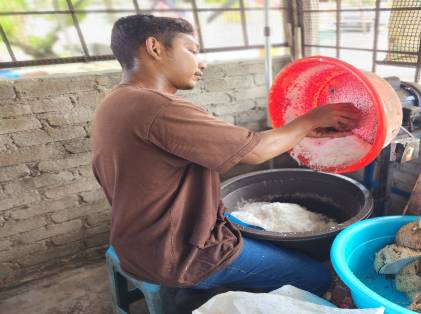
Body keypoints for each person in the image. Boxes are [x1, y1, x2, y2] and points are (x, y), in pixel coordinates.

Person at [91, 14, 360, 296]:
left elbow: (232, 140)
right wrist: (312, 118)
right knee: (318, 275)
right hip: (180, 254)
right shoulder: (157, 108)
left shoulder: (116, 102)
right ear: (154, 47)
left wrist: (300, 130)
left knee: (278, 239)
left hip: (140, 240)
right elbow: (256, 150)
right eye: (192, 51)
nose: (201, 62)